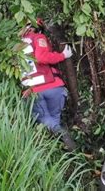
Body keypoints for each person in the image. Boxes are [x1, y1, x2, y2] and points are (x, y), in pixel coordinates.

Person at [19, 18, 77, 150]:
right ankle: (63, 144)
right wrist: (62, 55)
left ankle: (57, 151)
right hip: (52, 86)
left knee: (47, 120)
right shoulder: (38, 37)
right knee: (54, 120)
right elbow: (42, 57)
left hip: (32, 90)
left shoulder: (15, 47)